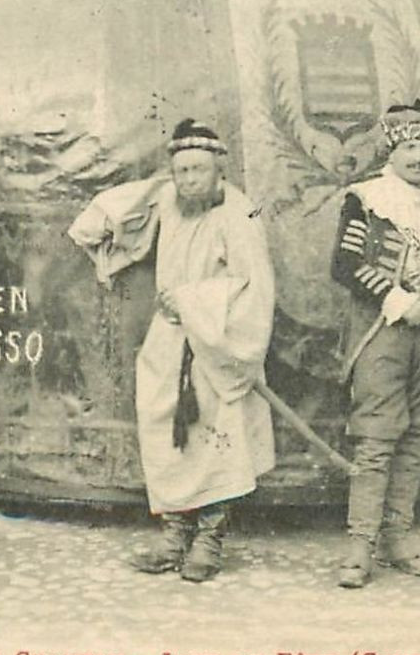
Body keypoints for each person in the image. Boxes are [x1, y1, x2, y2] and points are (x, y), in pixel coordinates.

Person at [68, 119, 276, 583]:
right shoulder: (168, 199)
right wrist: (100, 224)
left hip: (216, 343)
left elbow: (254, 286)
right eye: (181, 171)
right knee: (165, 429)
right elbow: (109, 213)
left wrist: (192, 301)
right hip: (169, 339)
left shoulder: (240, 214)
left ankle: (209, 539)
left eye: (199, 170)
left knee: (217, 439)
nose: (189, 180)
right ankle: (172, 535)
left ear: (219, 170)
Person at [330, 101, 420, 588]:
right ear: (392, 152)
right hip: (385, 329)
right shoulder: (365, 198)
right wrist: (396, 298)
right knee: (376, 439)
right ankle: (360, 547)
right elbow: (345, 265)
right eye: (410, 148)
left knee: (417, 436)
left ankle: (398, 539)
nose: (419, 158)